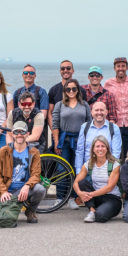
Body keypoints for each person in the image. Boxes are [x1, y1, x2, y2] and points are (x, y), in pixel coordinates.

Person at [0, 121, 46, 224]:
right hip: (8, 192)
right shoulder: (4, 151)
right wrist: (3, 191)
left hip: (24, 190)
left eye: (22, 132)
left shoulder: (34, 152)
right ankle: (10, 205)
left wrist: (27, 186)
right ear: (12, 134)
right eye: (16, 132)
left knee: (40, 189)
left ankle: (30, 211)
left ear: (27, 134)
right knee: (6, 220)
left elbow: (36, 175)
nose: (19, 135)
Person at [51, 78, 91, 207]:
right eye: (68, 89)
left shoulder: (84, 104)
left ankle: (72, 198)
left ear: (78, 90)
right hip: (64, 141)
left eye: (74, 88)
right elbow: (55, 124)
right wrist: (56, 141)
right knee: (61, 169)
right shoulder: (60, 105)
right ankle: (59, 198)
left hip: (80, 142)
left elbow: (90, 123)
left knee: (77, 170)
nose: (71, 91)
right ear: (65, 91)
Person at [73, 136, 122, 223]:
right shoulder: (88, 164)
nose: (100, 149)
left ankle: (100, 212)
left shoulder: (114, 164)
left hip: (112, 198)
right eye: (97, 146)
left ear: (107, 149)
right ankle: (92, 211)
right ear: (93, 149)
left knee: (100, 216)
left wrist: (89, 195)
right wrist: (80, 193)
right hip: (97, 197)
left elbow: (109, 187)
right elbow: (76, 182)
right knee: (82, 182)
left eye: (103, 146)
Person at [104, 57, 128, 160]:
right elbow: (104, 103)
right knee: (115, 154)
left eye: (123, 66)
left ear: (127, 68)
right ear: (114, 68)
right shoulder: (108, 83)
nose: (121, 68)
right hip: (115, 124)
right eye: (118, 66)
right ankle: (117, 175)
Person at [75, 101, 122, 175]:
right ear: (92, 112)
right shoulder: (85, 127)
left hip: (107, 170)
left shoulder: (113, 128)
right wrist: (78, 171)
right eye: (96, 110)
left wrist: (110, 170)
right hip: (88, 170)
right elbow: (80, 151)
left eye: (102, 110)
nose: (99, 113)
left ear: (106, 112)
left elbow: (116, 152)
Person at [12, 64, 50, 148]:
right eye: (26, 72)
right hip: (19, 132)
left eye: (31, 73)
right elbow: (14, 113)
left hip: (36, 132)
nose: (28, 74)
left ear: (35, 76)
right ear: (22, 75)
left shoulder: (41, 92)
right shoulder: (17, 93)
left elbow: (43, 115)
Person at [48, 60, 76, 150]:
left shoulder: (79, 90)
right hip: (59, 134)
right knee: (60, 162)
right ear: (60, 71)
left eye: (68, 68)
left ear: (73, 70)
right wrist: (54, 132)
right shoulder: (53, 90)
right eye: (63, 68)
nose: (65, 70)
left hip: (77, 135)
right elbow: (50, 113)